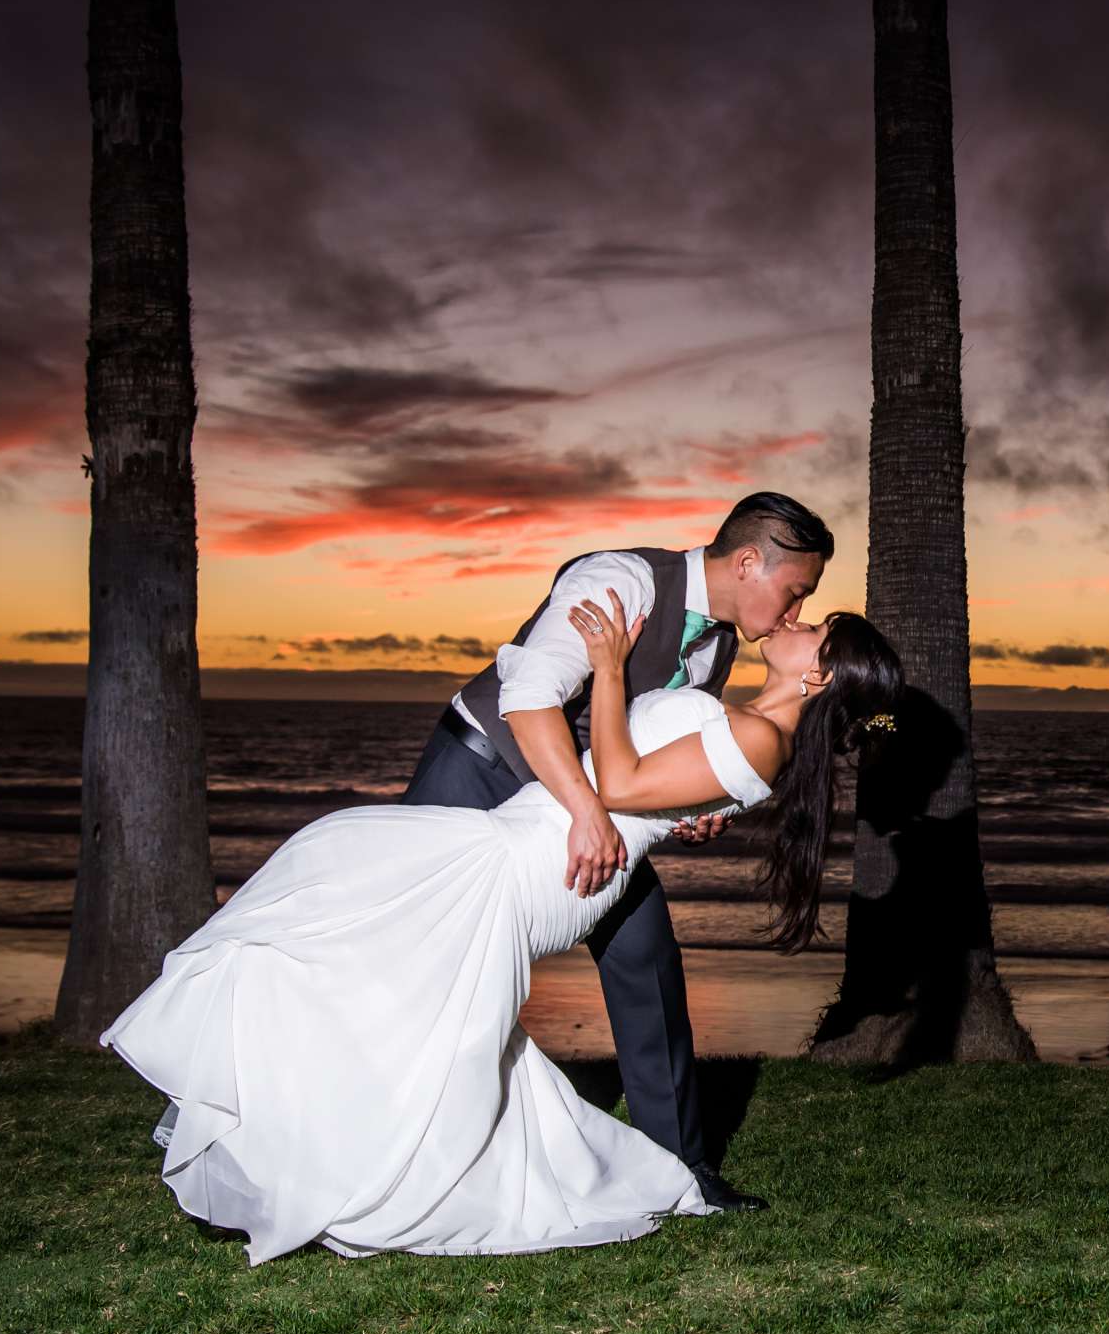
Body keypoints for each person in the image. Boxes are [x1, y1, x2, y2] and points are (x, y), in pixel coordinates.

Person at [100, 597, 902, 1266]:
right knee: (351, 926)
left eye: (814, 627)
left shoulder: (764, 738)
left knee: (350, 921)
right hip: (534, 836)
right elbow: (656, 786)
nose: (795, 621)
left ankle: (330, 1172)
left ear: (820, 672)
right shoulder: (751, 728)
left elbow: (619, 781)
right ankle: (280, 1155)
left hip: (545, 864)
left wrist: (614, 667)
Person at [397, 491, 833, 1212]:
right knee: (411, 959)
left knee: (645, 957)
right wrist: (585, 810)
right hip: (479, 773)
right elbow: (529, 695)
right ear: (750, 562)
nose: (793, 613)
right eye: (796, 593)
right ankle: (399, 1144)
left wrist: (692, 805)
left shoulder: (719, 644)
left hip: (586, 810)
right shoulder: (621, 580)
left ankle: (680, 1175)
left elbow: (654, 750)